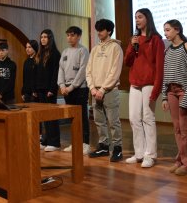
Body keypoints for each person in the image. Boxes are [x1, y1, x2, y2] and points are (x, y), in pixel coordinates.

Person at [124, 8, 164, 168]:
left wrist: (157, 89)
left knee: (148, 117)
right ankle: (139, 153)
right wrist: (132, 46)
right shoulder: (134, 40)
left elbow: (160, 66)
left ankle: (150, 155)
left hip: (149, 83)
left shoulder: (156, 40)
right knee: (134, 118)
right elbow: (128, 61)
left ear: (147, 18)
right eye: (135, 18)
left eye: (140, 17)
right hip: (135, 82)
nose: (137, 20)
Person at [161, 20, 187, 175]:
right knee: (177, 128)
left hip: (183, 91)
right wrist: (164, 96)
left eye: (168, 30)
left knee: (184, 128)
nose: (165, 33)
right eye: (164, 30)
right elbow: (165, 74)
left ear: (177, 30)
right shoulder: (168, 51)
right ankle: (181, 160)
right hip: (171, 91)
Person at [86, 19, 124, 162]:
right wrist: (92, 88)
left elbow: (115, 71)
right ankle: (103, 145)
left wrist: (102, 89)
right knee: (99, 120)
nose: (99, 32)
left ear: (108, 31)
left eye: (101, 30)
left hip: (109, 90)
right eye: (98, 30)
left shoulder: (115, 48)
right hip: (95, 90)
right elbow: (88, 70)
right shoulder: (95, 49)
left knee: (113, 121)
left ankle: (118, 148)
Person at [58, 26, 91, 155]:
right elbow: (61, 69)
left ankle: (85, 144)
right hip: (66, 89)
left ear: (78, 36)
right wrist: (61, 85)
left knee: (82, 116)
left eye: (72, 35)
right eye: (68, 35)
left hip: (79, 89)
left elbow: (83, 71)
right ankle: (75, 142)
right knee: (72, 118)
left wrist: (71, 87)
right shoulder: (65, 51)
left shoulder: (83, 51)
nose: (69, 38)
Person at [34, 29, 61, 152]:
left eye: (45, 37)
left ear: (50, 38)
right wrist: (35, 88)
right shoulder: (40, 53)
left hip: (49, 89)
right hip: (40, 88)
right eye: (41, 37)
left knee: (51, 117)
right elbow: (37, 73)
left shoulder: (55, 54)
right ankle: (45, 140)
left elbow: (56, 73)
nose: (43, 39)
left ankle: (54, 142)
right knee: (44, 117)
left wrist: (52, 89)